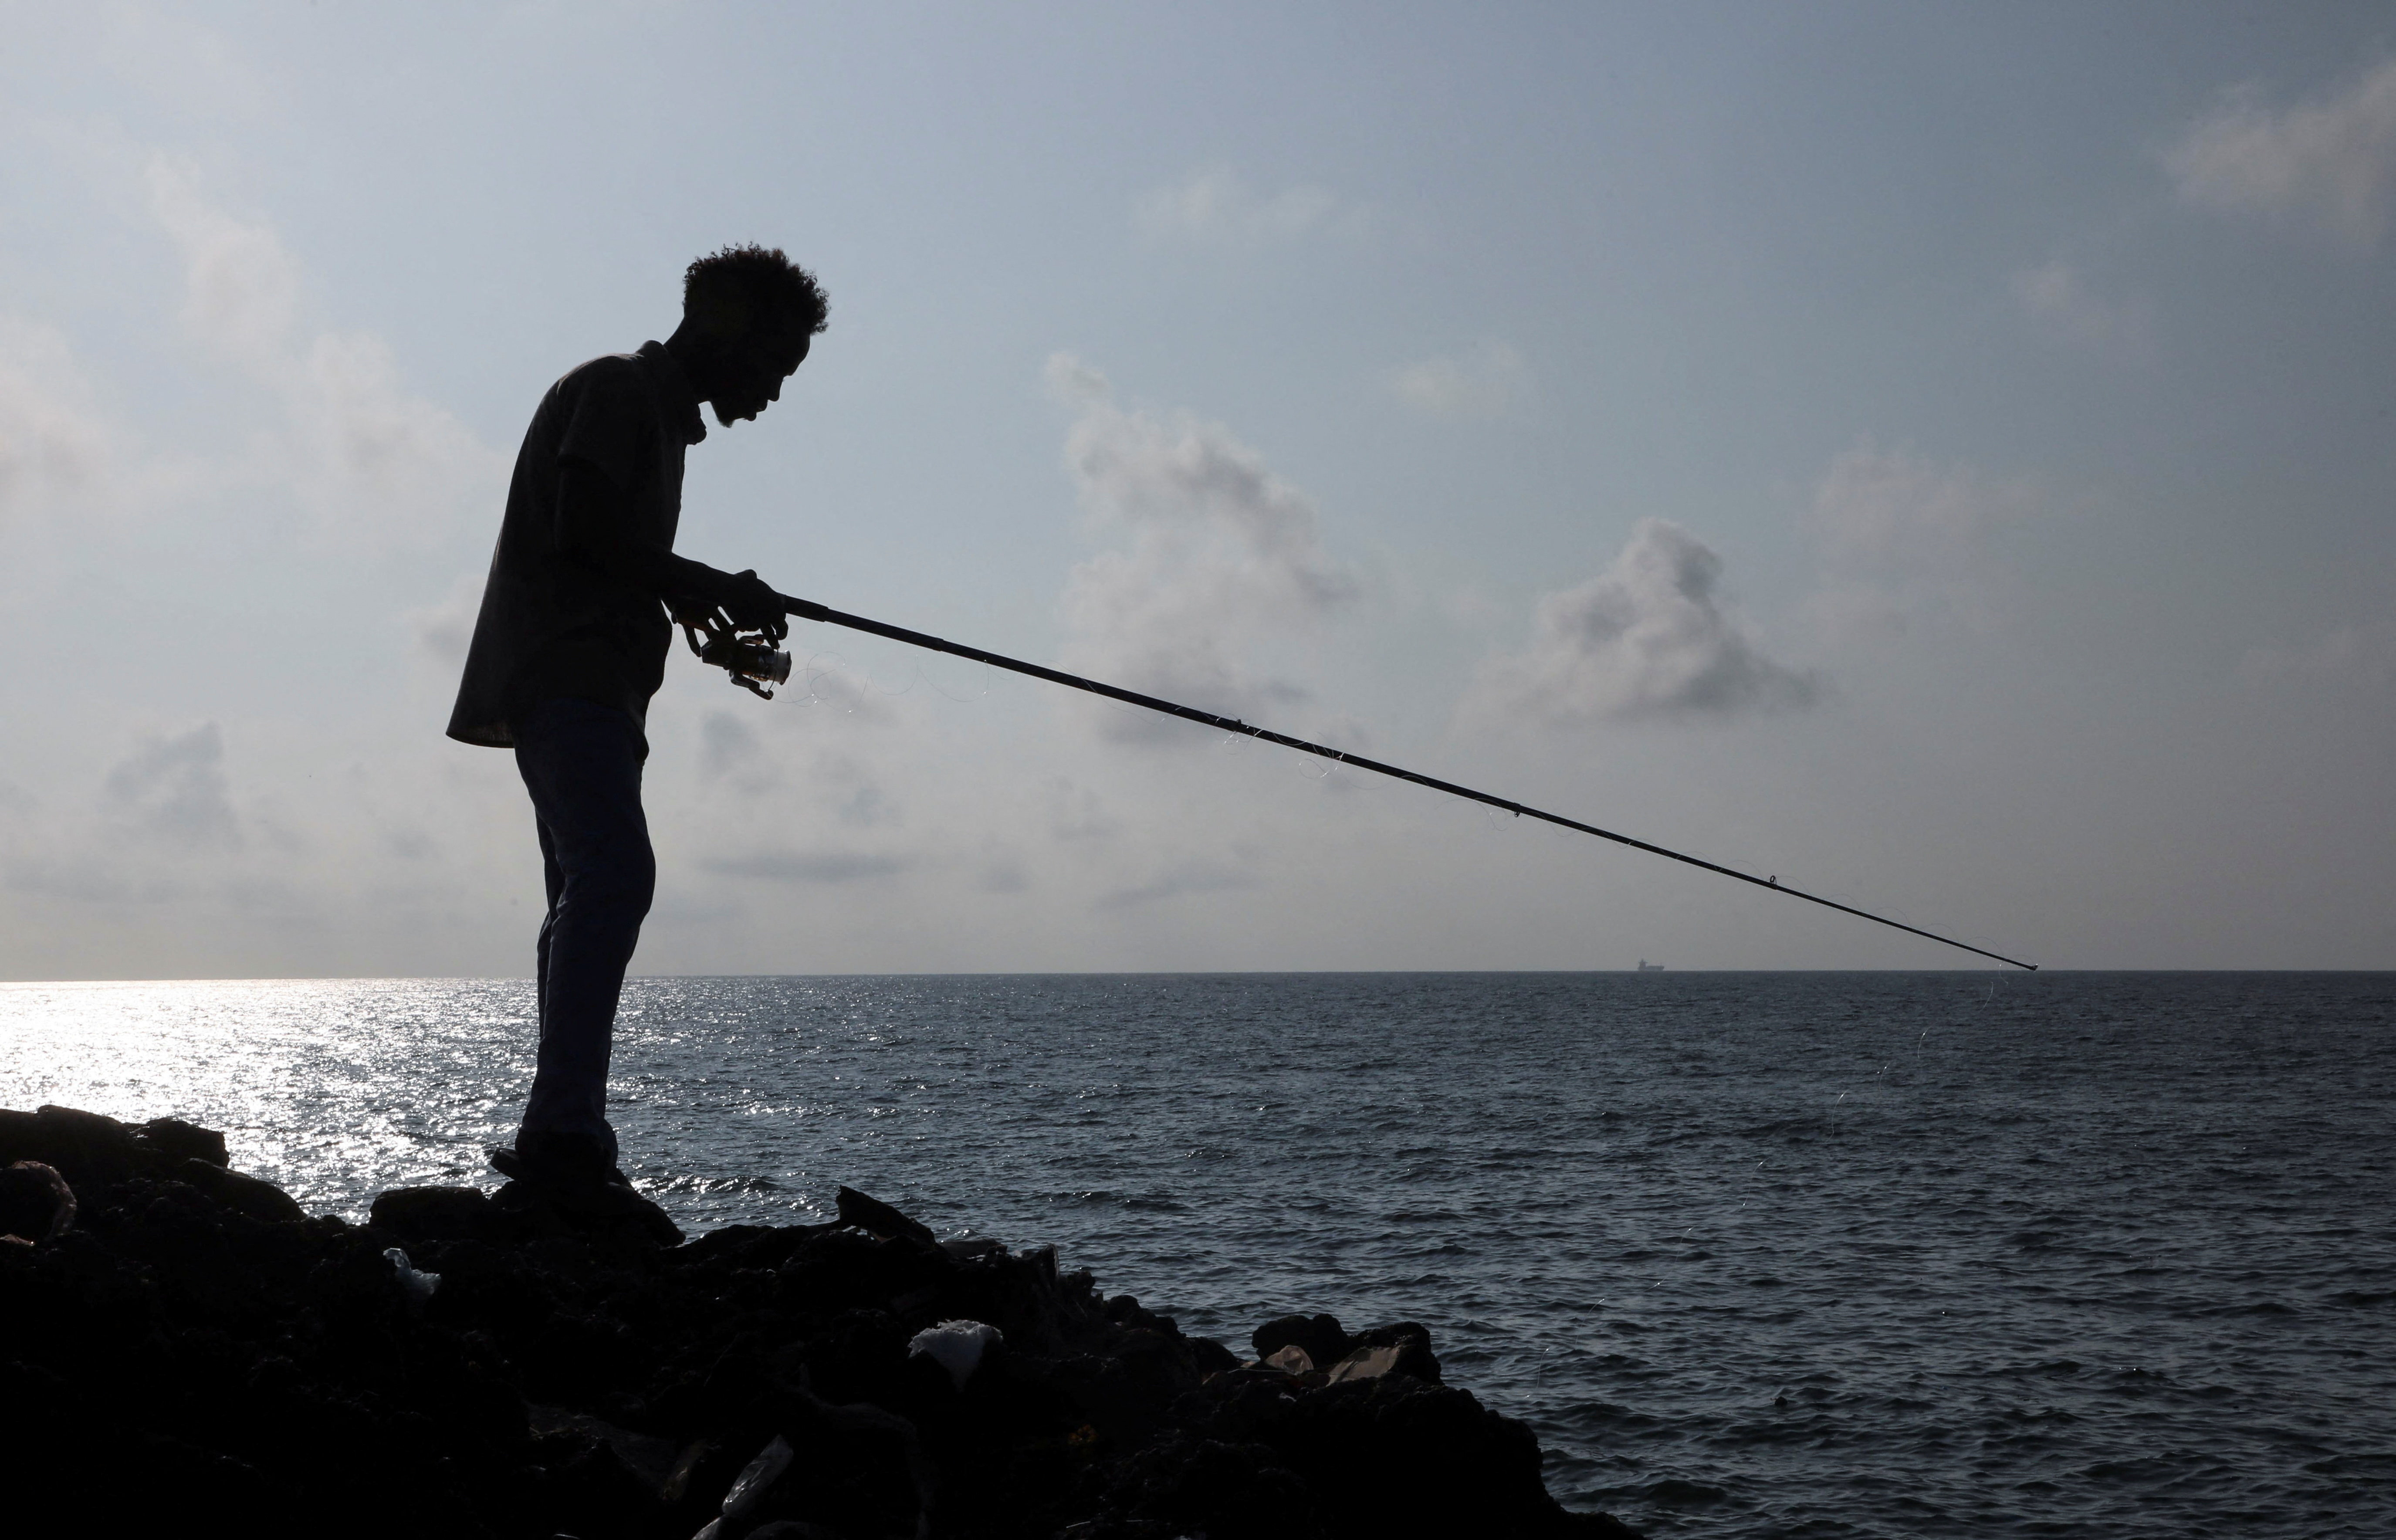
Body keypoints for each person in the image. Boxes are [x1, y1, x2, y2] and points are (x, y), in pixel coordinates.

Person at [447, 245, 827, 1233]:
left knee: (583, 890)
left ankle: (562, 1133)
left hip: (595, 687)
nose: (774, 393)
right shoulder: (619, 392)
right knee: (613, 877)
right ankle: (563, 1138)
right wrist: (708, 586)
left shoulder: (657, 424)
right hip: (567, 678)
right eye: (775, 366)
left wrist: (698, 606)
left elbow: (616, 554)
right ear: (727, 324)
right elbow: (585, 531)